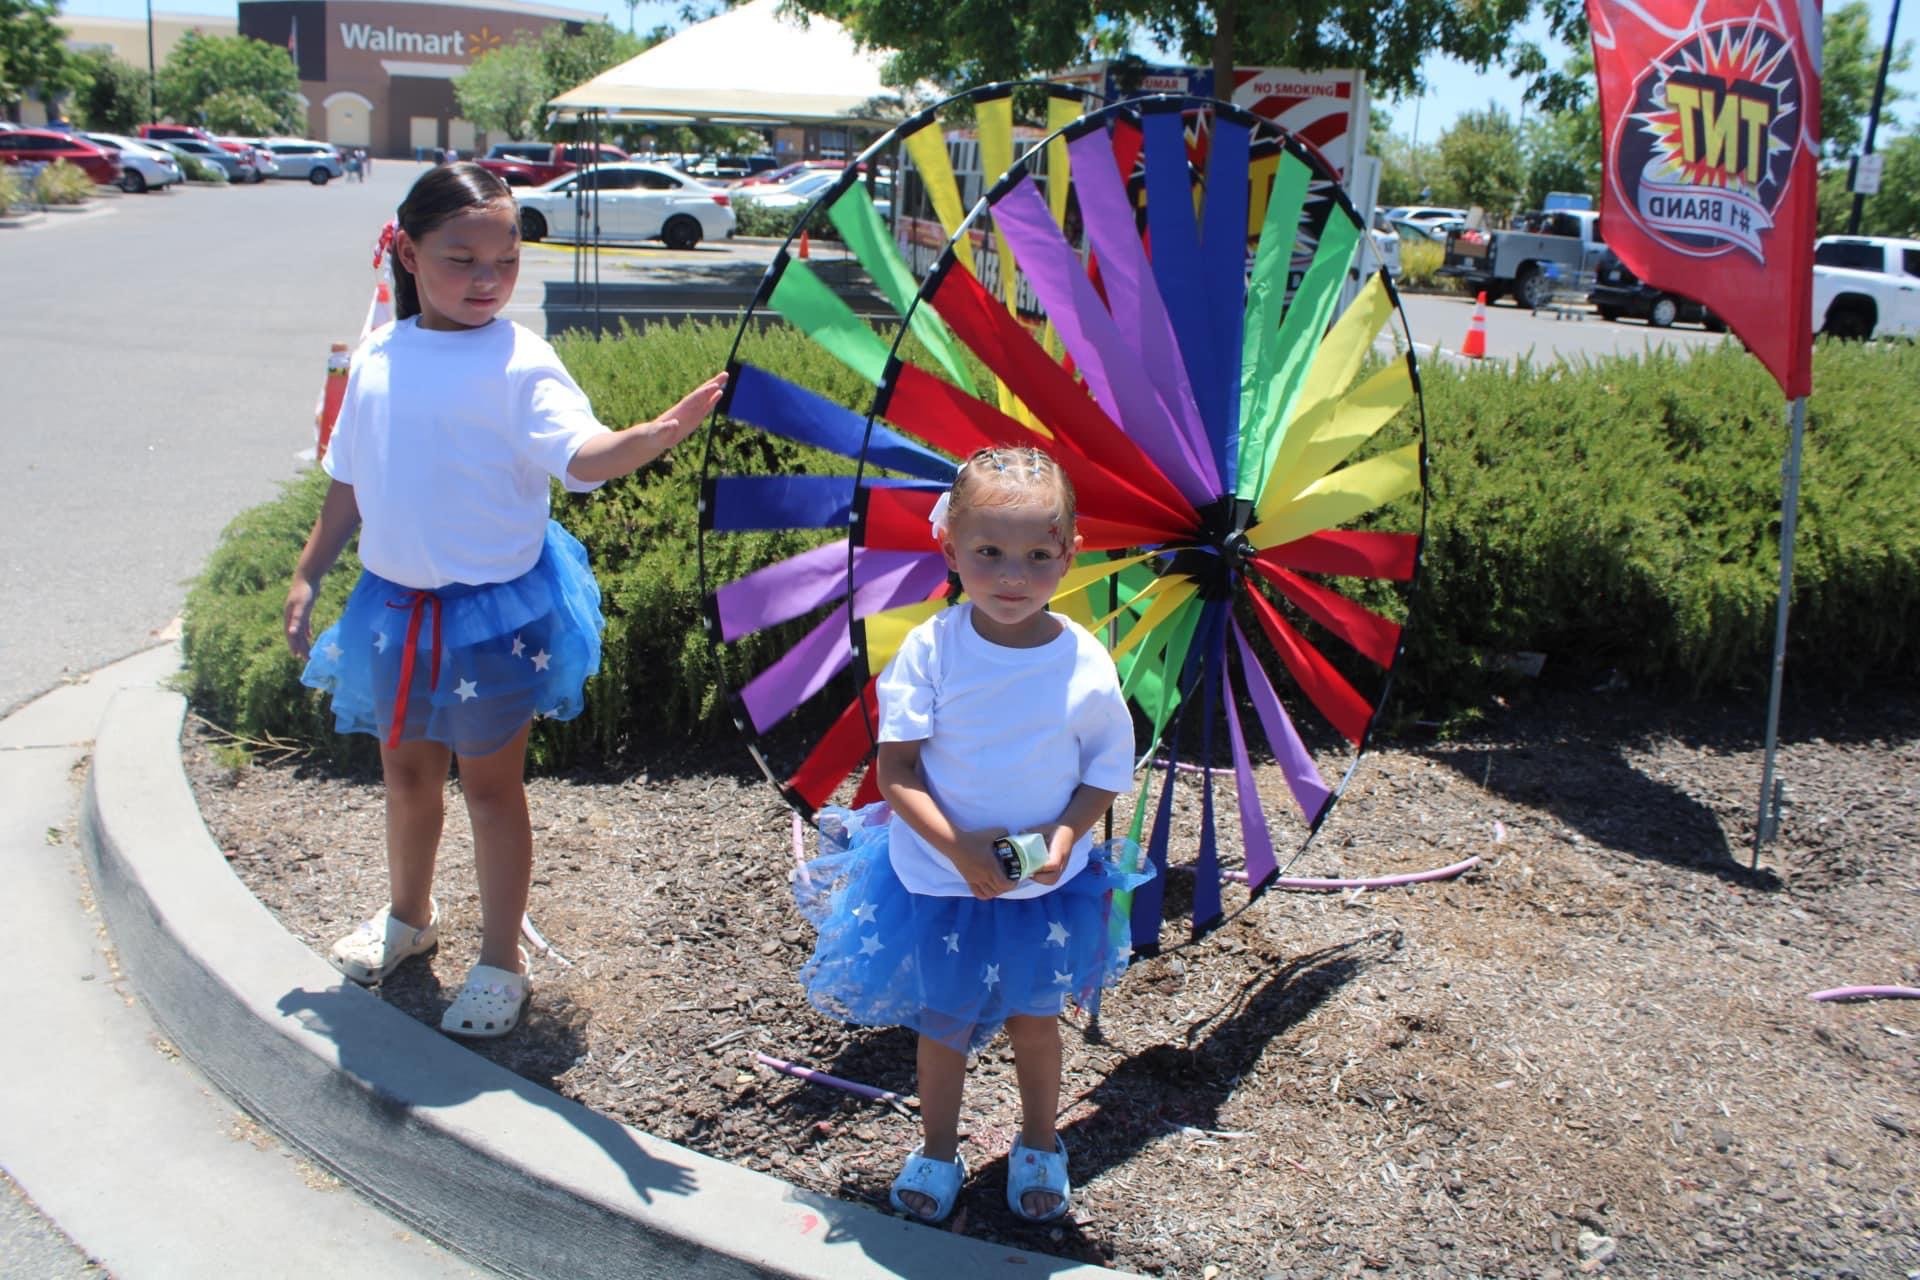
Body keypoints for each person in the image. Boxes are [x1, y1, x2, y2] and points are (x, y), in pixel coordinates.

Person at [283, 163, 727, 1037]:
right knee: (406, 773)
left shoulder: (521, 360)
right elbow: (348, 479)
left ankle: (500, 962)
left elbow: (585, 455)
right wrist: (308, 571)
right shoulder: (378, 352)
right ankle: (409, 918)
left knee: (492, 791)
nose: (488, 281)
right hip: (395, 606)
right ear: (408, 254)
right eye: (461, 260)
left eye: (507, 260)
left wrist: (659, 433)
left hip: (493, 619)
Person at [792, 445, 1150, 1225]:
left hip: (1041, 883)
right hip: (941, 879)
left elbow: (1104, 770)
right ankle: (938, 1147)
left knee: (1035, 1020)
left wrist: (1064, 836)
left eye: (1034, 555)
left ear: (1069, 553)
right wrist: (958, 848)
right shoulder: (931, 649)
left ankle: (1038, 1141)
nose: (1011, 576)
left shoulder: (1083, 661)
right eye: (988, 553)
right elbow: (898, 774)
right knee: (945, 1023)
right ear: (951, 549)